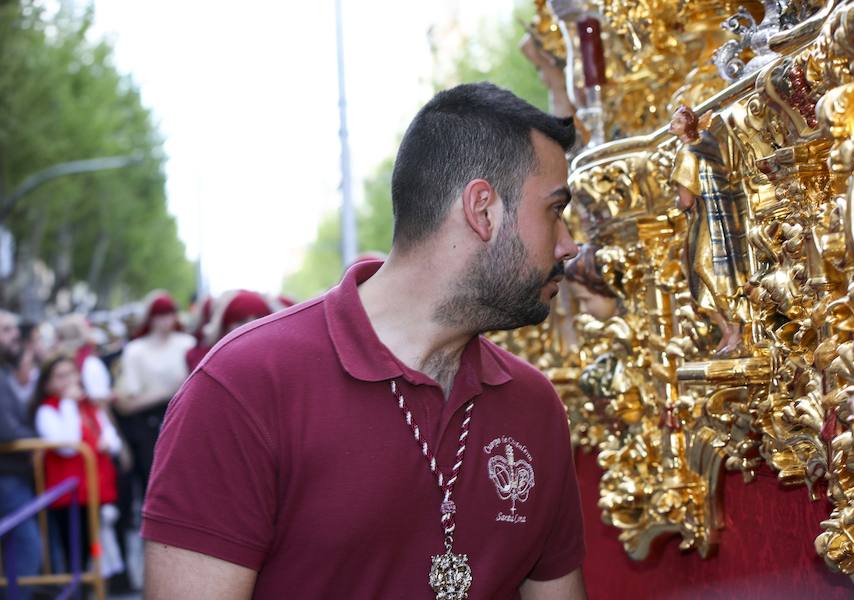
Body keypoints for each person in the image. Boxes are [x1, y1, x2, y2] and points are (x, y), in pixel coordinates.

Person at [143, 82, 587, 599]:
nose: (568, 244)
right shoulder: (244, 387)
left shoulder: (535, 405)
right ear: (482, 209)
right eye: (555, 210)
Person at [669, 105, 751, 355]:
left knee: (703, 267)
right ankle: (728, 329)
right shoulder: (706, 144)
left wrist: (675, 205)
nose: (671, 125)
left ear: (687, 126)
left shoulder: (686, 153)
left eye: (676, 121)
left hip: (706, 218)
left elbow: (686, 200)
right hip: (723, 213)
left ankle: (734, 325)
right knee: (707, 269)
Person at [30, 355, 122, 572]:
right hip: (69, 496)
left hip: (95, 489)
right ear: (47, 383)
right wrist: (69, 403)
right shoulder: (47, 411)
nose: (70, 381)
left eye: (72, 374)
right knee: (76, 553)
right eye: (61, 376)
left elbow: (111, 436)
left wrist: (108, 443)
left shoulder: (88, 406)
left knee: (96, 548)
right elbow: (68, 445)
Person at [115, 291, 194, 493]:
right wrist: (166, 392)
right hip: (149, 422)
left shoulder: (187, 344)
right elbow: (127, 399)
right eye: (160, 315)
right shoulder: (135, 350)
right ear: (151, 318)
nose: (166, 320)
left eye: (170, 314)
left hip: (184, 417)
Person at [0, 310, 42, 596]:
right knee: (28, 547)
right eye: (5, 330)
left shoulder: (5, 372)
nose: (15, 334)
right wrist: (37, 438)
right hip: (8, 476)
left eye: (14, 328)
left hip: (13, 474)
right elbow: (6, 430)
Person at [186, 290, 273, 372]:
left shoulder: (274, 362)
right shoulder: (203, 362)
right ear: (225, 326)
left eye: (259, 319)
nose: (251, 326)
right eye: (241, 320)